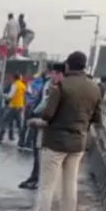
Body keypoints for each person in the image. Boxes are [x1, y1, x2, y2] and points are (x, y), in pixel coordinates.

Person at [18, 51, 102, 211]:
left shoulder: (61, 87)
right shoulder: (94, 88)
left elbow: (47, 115)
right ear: (85, 66)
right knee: (69, 187)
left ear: (67, 66)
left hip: (55, 142)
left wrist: (37, 122)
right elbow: (96, 118)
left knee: (47, 187)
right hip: (78, 142)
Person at [19, 62, 63, 191]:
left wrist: (35, 113)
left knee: (41, 152)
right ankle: (34, 177)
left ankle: (37, 179)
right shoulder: (46, 83)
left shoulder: (56, 86)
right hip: (38, 117)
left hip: (44, 120)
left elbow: (45, 102)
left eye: (51, 72)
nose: (49, 74)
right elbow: (40, 98)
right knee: (36, 150)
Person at [0, 73, 25, 142]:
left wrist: (3, 95)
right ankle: (22, 140)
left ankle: (0, 138)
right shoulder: (23, 85)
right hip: (20, 106)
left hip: (13, 106)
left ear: (14, 78)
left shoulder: (15, 85)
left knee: (5, 121)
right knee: (20, 124)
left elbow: (10, 96)